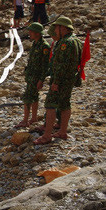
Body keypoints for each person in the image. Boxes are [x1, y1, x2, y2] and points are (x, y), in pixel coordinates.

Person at [34, 16, 82, 145]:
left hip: (61, 80)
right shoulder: (76, 40)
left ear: (63, 28)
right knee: (65, 104)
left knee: (50, 105)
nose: (55, 30)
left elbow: (63, 64)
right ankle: (62, 131)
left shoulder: (65, 43)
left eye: (57, 27)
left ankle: (47, 135)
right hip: (69, 78)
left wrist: (56, 82)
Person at [16, 22, 50, 128]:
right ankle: (33, 118)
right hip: (31, 74)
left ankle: (25, 120)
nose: (29, 33)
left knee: (28, 97)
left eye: (31, 31)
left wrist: (41, 80)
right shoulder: (35, 43)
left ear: (37, 33)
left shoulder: (44, 46)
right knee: (34, 97)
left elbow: (45, 65)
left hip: (36, 76)